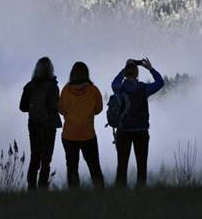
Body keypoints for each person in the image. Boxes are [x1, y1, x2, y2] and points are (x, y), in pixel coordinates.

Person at [111, 57, 164, 188]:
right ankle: (140, 194)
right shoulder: (143, 88)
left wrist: (125, 68)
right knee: (142, 165)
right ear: (136, 73)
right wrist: (150, 68)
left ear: (126, 72)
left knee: (122, 165)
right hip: (141, 131)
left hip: (123, 131)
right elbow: (160, 82)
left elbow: (114, 83)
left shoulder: (120, 88)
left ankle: (119, 194)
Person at [57, 61, 105, 188]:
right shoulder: (93, 90)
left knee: (72, 168)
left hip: (69, 135)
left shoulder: (66, 91)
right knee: (94, 166)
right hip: (88, 135)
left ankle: (74, 197)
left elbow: (61, 110)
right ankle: (101, 194)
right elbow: (99, 109)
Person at [19, 56, 61, 190]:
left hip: (34, 124)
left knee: (34, 157)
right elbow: (55, 106)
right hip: (49, 125)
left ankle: (31, 188)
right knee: (46, 160)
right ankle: (43, 189)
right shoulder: (53, 86)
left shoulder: (29, 86)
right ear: (50, 69)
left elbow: (22, 107)